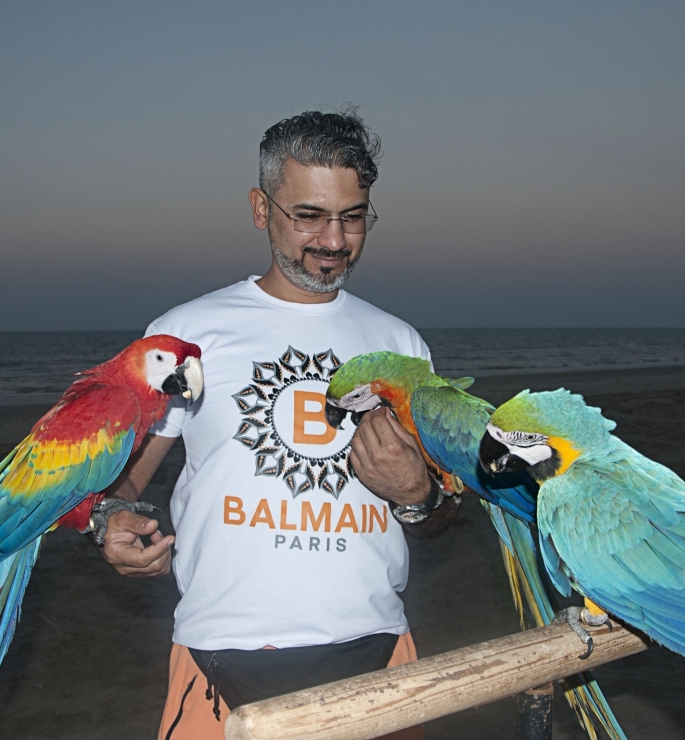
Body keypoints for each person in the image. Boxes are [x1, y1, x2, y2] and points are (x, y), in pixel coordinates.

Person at [99, 108, 458, 740]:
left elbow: (441, 513)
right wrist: (110, 522)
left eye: (353, 217)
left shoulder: (401, 345)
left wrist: (417, 495)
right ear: (260, 208)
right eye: (309, 215)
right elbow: (120, 481)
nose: (334, 240)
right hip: (219, 653)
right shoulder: (186, 335)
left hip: (377, 647)